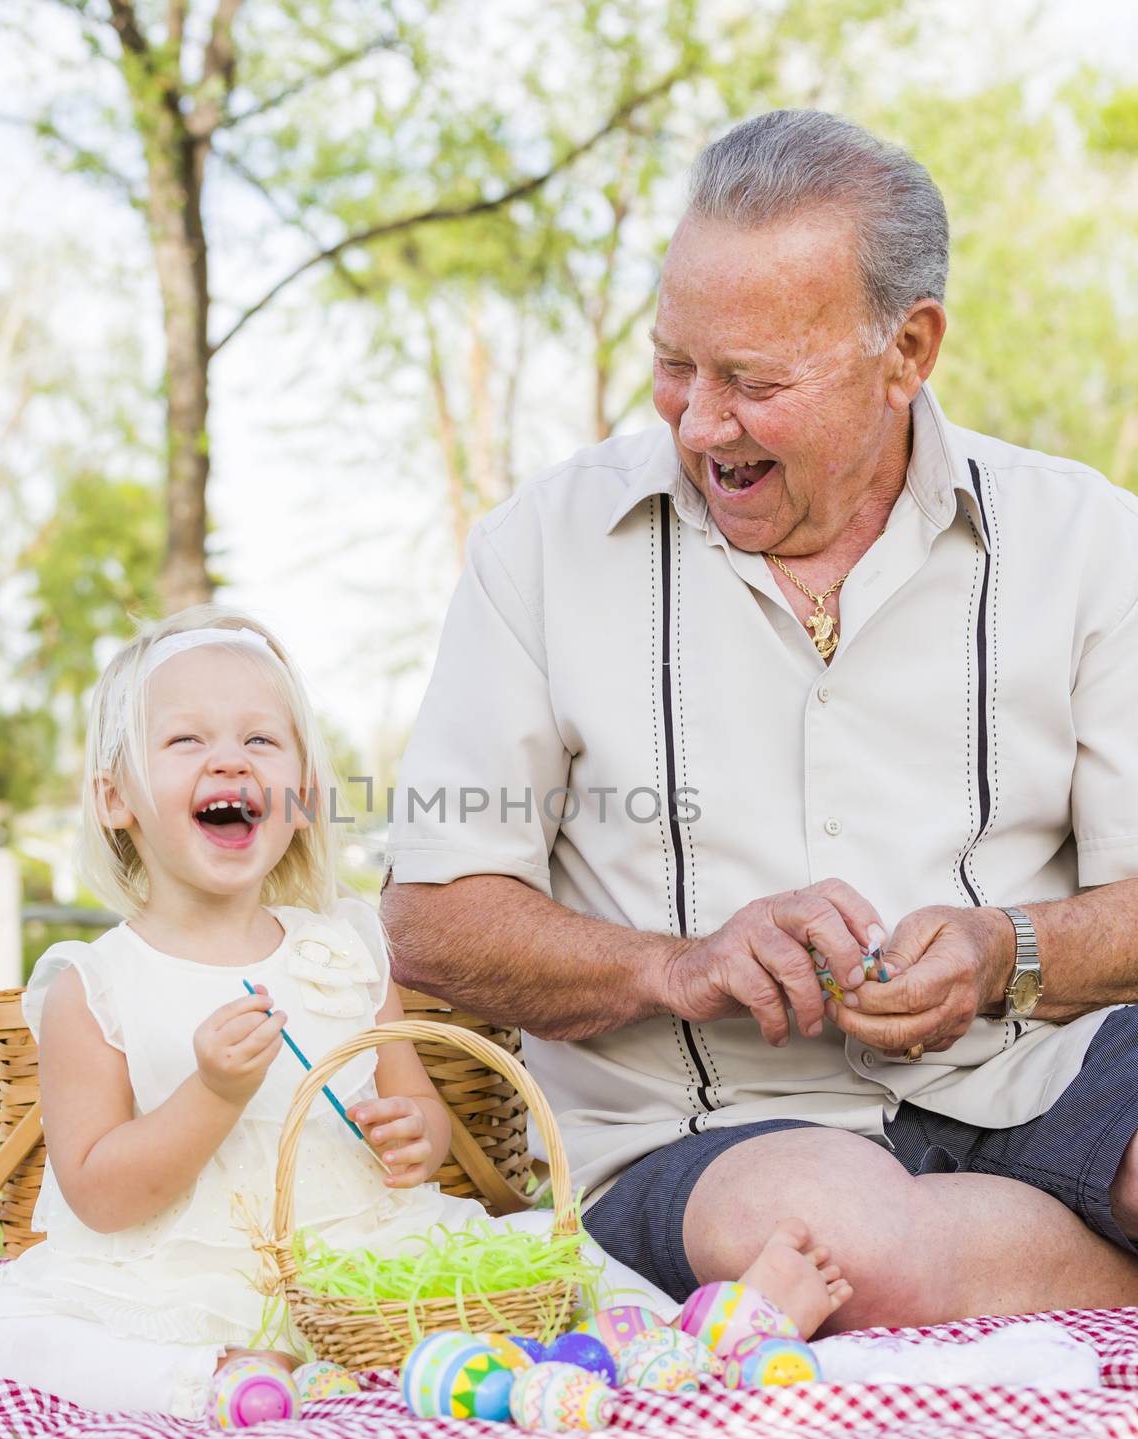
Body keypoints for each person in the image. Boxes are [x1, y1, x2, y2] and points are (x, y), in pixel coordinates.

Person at [382, 109, 1138, 1334]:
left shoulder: (1087, 539)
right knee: (831, 1250)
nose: (694, 421)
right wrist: (676, 966)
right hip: (704, 1136)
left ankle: (993, 1288)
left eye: (752, 382)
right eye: (675, 363)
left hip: (1033, 1070)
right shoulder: (541, 547)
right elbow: (429, 922)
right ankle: (1048, 1289)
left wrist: (1009, 951)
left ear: (907, 351)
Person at [0, 606, 851, 1418]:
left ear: (299, 795)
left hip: (371, 1260)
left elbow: (423, 1117)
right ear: (115, 799)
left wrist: (409, 1134)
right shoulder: (95, 986)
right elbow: (95, 1193)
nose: (229, 759)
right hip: (190, 1281)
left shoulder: (344, 945)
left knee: (554, 1254)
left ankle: (709, 1333)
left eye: (262, 741)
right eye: (184, 743)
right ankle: (210, 1381)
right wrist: (210, 1095)